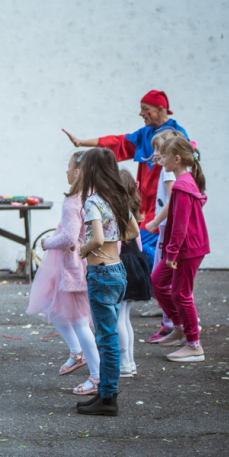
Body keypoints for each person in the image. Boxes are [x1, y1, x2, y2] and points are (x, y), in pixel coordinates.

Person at [62, 90, 187, 266]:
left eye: (145, 109)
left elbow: (178, 183)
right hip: (146, 207)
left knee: (155, 255)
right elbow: (119, 143)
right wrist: (83, 143)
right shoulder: (144, 134)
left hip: (161, 210)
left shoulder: (175, 136)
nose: (141, 113)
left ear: (160, 110)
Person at [26, 151, 100, 395]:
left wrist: (47, 242)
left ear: (78, 172)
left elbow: (69, 236)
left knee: (79, 321)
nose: (66, 172)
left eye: (68, 167)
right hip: (76, 266)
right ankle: (77, 353)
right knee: (55, 309)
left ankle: (97, 375)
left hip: (73, 268)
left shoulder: (73, 200)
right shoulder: (93, 196)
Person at [74, 148, 139, 416]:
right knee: (109, 334)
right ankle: (104, 394)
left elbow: (97, 239)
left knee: (106, 337)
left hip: (100, 273)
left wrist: (84, 249)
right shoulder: (118, 198)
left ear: (90, 172)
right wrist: (112, 240)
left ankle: (108, 397)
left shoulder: (92, 201)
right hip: (118, 270)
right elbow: (134, 231)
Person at [151, 138, 209, 362]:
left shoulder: (181, 184)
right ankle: (180, 327)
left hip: (188, 249)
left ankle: (194, 345)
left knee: (182, 294)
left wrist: (171, 253)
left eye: (164, 155)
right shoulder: (185, 181)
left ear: (176, 159)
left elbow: (181, 225)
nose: (160, 158)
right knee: (157, 282)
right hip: (183, 248)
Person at [144, 130, 186, 341]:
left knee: (163, 279)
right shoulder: (166, 171)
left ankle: (172, 323)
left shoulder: (169, 172)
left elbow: (172, 201)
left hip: (168, 231)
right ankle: (171, 321)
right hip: (165, 229)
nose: (156, 153)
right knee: (162, 278)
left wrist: (155, 221)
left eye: (159, 149)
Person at [117, 169, 152, 378]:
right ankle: (129, 361)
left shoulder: (119, 212)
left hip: (123, 266)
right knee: (125, 318)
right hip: (135, 264)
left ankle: (124, 363)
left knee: (119, 319)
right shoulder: (131, 210)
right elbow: (137, 242)